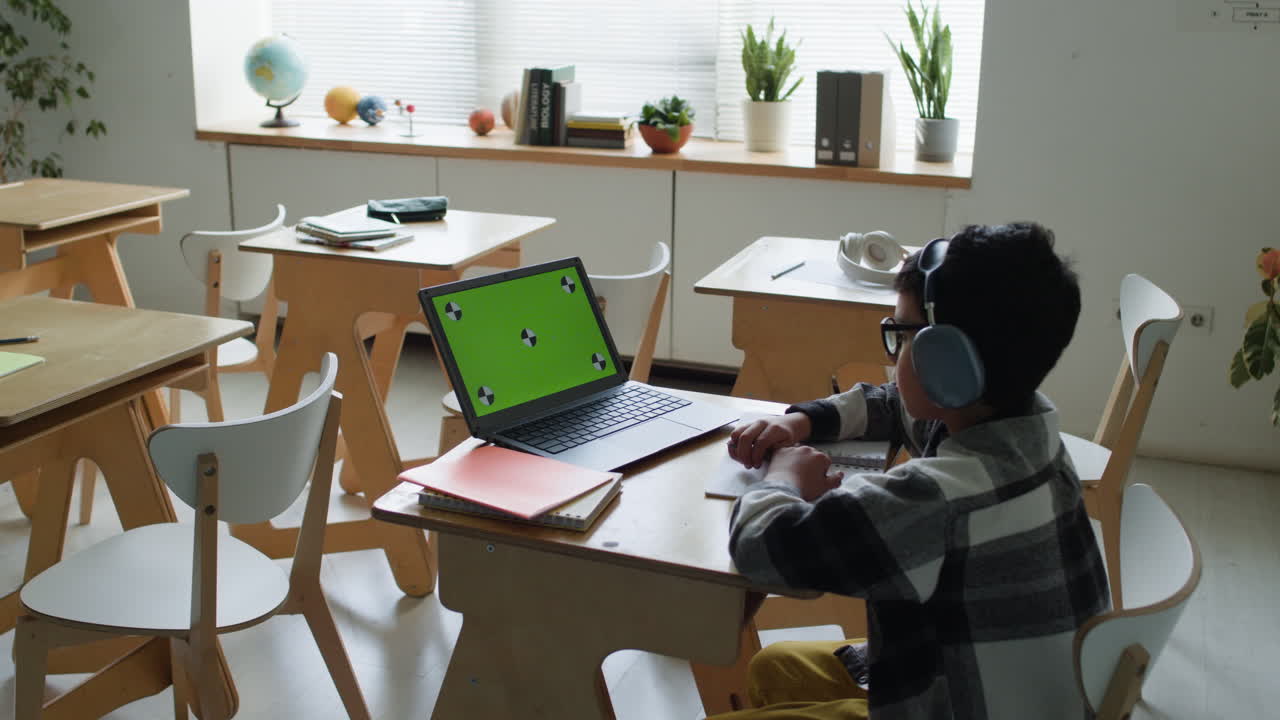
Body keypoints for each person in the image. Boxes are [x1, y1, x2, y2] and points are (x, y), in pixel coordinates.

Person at [716, 222, 1109, 720]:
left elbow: (760, 549)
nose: (894, 353)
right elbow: (891, 403)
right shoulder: (1026, 427)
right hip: (1007, 689)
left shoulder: (938, 498)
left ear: (945, 362)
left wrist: (784, 478)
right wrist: (802, 421)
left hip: (958, 704)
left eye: (902, 336)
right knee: (777, 668)